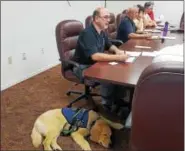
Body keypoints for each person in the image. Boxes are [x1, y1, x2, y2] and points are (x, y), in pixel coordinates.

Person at [73, 7, 129, 115]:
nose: (109, 20)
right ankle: (107, 106)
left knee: (119, 69)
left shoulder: (101, 31)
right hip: (83, 66)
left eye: (109, 17)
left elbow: (109, 45)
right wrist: (118, 58)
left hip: (95, 63)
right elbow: (95, 56)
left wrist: (117, 51)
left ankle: (118, 100)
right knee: (108, 74)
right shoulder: (87, 33)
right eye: (106, 17)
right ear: (96, 18)